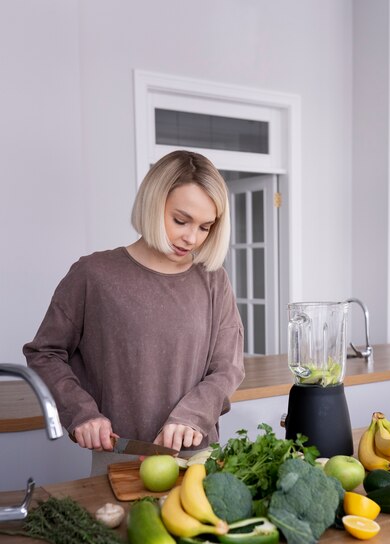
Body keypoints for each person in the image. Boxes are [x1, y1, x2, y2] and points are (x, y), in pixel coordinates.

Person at [23, 150, 245, 475]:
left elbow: (228, 367)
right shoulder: (94, 274)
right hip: (119, 460)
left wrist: (191, 416)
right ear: (153, 203)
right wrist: (81, 412)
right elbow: (45, 352)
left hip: (196, 461)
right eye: (181, 221)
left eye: (205, 227)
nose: (191, 237)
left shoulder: (213, 280)